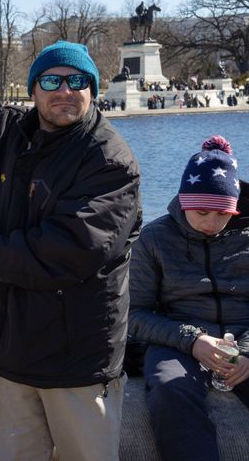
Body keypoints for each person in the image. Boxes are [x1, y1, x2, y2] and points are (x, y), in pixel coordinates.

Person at [0, 0, 142, 461]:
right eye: (52, 80)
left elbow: (73, 247)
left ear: (93, 89)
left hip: (77, 361)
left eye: (77, 81)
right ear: (34, 88)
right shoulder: (4, 133)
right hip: (6, 353)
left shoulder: (110, 160)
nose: (65, 90)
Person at [129, 136, 248, 461]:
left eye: (222, 214)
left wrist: (247, 350)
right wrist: (193, 340)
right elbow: (135, 314)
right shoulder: (154, 238)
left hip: (245, 337)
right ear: (183, 201)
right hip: (178, 342)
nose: (211, 223)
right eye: (201, 212)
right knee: (170, 390)